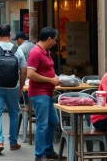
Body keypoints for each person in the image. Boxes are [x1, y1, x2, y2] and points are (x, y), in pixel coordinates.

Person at [0, 24, 27, 154]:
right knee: (14, 113)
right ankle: (13, 142)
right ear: (10, 33)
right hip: (14, 86)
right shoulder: (17, 50)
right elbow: (24, 71)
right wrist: (21, 87)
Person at [27, 27, 62, 161]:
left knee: (53, 121)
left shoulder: (45, 52)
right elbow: (30, 74)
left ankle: (48, 150)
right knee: (42, 124)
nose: (55, 42)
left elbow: (46, 70)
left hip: (47, 93)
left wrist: (56, 78)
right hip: (39, 93)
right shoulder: (35, 52)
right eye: (54, 40)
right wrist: (50, 79)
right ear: (48, 39)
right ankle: (39, 155)